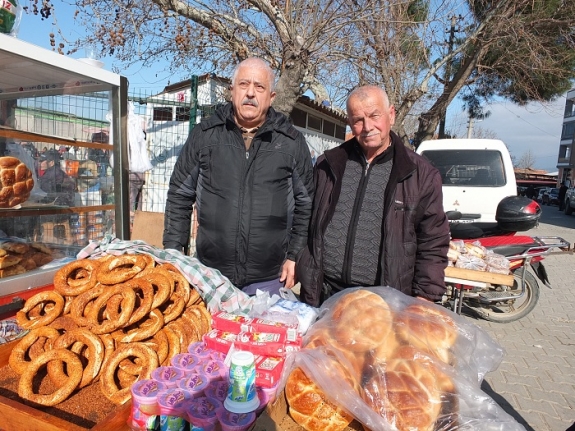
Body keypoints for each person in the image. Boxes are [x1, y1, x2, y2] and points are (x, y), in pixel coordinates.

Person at [163, 57, 314, 296]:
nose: (251, 93)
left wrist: (294, 256)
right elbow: (179, 196)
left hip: (269, 279)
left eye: (260, 87)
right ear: (232, 91)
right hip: (210, 275)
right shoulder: (204, 136)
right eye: (244, 84)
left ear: (271, 97)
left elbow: (306, 206)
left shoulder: (291, 143)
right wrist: (173, 251)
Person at [297, 85, 450, 307]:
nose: (367, 127)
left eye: (374, 116)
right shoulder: (327, 164)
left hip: (382, 302)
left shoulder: (419, 174)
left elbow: (433, 241)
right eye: (358, 120)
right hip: (324, 295)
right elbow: (305, 220)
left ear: (391, 115)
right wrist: (296, 259)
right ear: (349, 123)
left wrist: (425, 298)